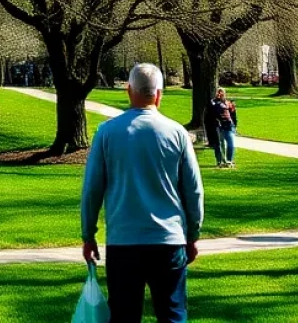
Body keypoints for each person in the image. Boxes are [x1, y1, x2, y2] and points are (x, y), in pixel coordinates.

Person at [81, 63, 204, 323]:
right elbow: (193, 190)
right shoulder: (177, 133)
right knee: (172, 314)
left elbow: (92, 189)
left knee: (124, 315)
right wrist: (192, 234)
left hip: (124, 242)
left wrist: (88, 234)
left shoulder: (107, 133)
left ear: (129, 90)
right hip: (168, 240)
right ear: (159, 94)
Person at [210, 88, 238, 168]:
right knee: (219, 145)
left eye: (222, 92)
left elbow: (233, 114)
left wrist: (235, 125)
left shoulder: (228, 102)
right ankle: (220, 161)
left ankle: (229, 161)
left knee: (231, 144)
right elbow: (212, 111)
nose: (220, 94)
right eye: (219, 92)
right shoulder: (214, 102)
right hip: (219, 126)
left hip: (229, 126)